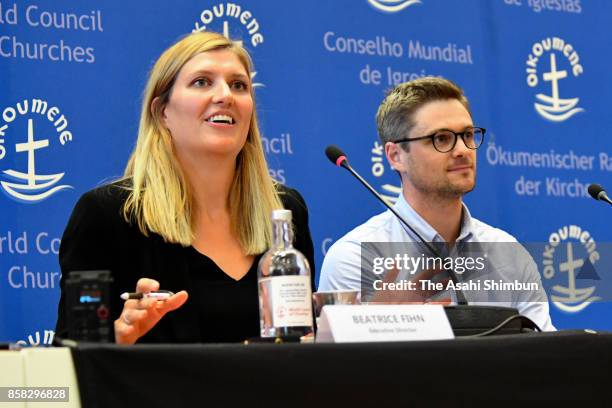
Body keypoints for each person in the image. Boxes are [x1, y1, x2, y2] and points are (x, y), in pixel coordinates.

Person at [55, 31, 315, 344]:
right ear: (162, 112)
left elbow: (306, 340)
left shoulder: (284, 212)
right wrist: (118, 337)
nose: (225, 96)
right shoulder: (107, 215)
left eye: (238, 85)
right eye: (202, 82)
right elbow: (65, 357)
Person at [318, 77, 555, 331]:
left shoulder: (508, 253)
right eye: (441, 139)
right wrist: (380, 327)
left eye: (467, 135)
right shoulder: (355, 258)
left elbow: (545, 357)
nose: (463, 149)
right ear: (396, 156)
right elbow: (340, 367)